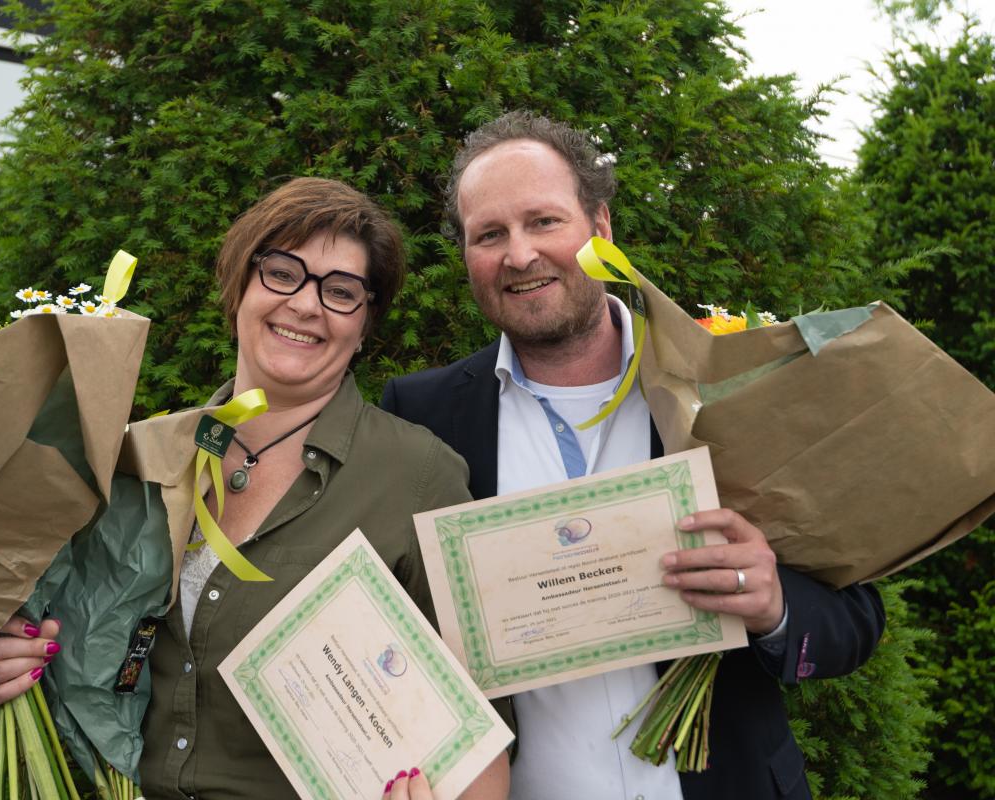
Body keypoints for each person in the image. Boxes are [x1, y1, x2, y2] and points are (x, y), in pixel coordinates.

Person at [380, 111, 886, 800]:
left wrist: (774, 608)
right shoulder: (423, 415)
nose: (519, 254)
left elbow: (855, 617)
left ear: (602, 228)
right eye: (489, 235)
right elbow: (398, 643)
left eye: (544, 221)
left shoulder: (719, 385)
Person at [0, 177, 510, 799]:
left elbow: (479, 734)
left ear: (365, 323)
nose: (305, 305)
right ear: (239, 286)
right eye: (282, 272)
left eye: (341, 291)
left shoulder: (419, 475)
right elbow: (78, 648)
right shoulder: (141, 459)